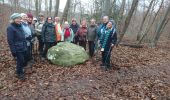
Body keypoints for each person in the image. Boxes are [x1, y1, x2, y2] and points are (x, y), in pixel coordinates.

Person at [7, 13, 27, 80]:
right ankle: (19, 73)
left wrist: (25, 45)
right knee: (20, 60)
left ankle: (19, 69)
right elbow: (10, 40)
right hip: (17, 48)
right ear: (13, 20)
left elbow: (23, 37)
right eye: (17, 18)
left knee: (22, 60)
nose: (19, 20)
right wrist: (13, 51)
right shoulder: (10, 28)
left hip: (23, 46)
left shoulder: (20, 26)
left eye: (19, 18)